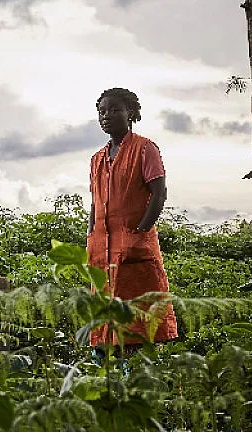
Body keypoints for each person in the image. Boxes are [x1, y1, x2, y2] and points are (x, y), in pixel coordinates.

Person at [87, 87, 178, 349]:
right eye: (102, 111)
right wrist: (91, 235)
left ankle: (138, 375)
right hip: (101, 252)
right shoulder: (97, 159)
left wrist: (140, 232)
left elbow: (158, 194)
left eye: (115, 110)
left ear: (131, 114)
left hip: (135, 249)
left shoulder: (144, 148)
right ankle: (108, 377)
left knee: (139, 318)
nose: (107, 116)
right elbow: (95, 202)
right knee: (105, 321)